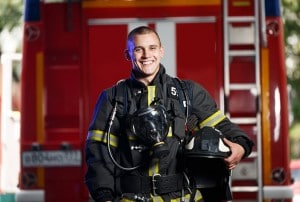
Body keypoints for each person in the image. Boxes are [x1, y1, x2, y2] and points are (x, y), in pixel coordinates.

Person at [85, 26, 254, 202]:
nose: (146, 55)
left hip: (183, 196)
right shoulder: (113, 98)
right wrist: (103, 196)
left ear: (161, 51)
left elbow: (224, 127)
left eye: (152, 48)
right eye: (138, 49)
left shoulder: (188, 93)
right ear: (128, 55)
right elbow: (98, 154)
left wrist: (241, 146)